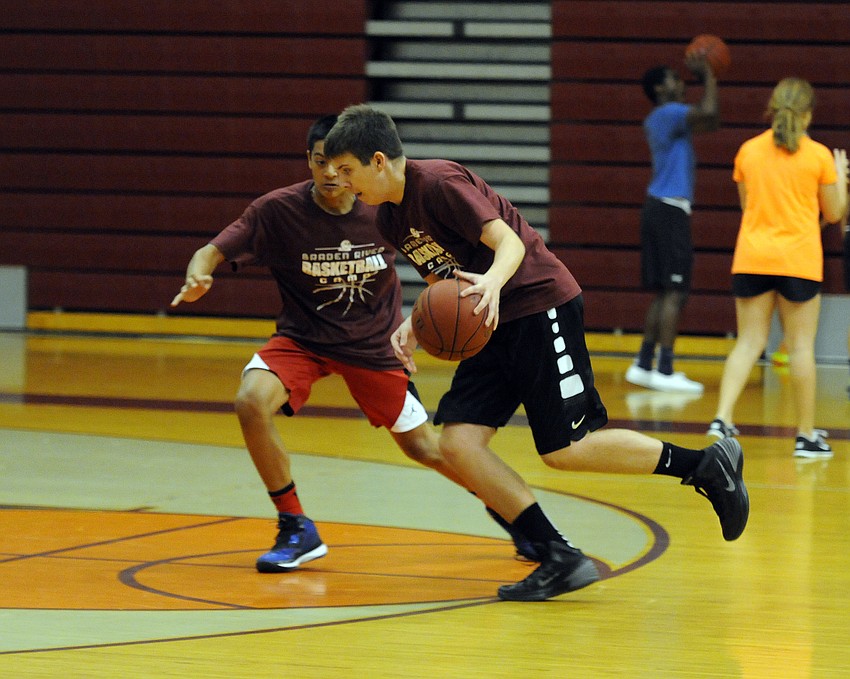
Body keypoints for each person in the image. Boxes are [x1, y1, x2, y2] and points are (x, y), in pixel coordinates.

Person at [324, 104, 749, 602]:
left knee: (566, 449)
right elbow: (446, 278)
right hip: (491, 321)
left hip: (537, 303)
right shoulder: (390, 219)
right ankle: (559, 554)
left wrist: (490, 286)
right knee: (459, 445)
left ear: (378, 160)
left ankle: (704, 465)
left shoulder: (437, 183)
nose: (343, 183)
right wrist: (416, 325)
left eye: (348, 171)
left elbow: (509, 245)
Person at [170, 115, 541, 573]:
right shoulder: (277, 210)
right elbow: (213, 249)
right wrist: (198, 272)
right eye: (321, 162)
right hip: (302, 339)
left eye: (341, 166)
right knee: (250, 401)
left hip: (372, 345)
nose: (332, 175)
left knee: (425, 447)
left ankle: (514, 513)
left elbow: (439, 266)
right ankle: (295, 526)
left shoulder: (383, 208)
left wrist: (426, 319)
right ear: (308, 160)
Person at [706, 78, 848, 458]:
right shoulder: (818, 156)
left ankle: (721, 418)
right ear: (808, 113)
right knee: (800, 348)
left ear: (772, 108)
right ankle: (805, 437)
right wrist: (842, 177)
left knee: (749, 342)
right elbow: (834, 214)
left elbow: (747, 207)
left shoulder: (748, 151)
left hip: (753, 256)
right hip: (799, 260)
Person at [625, 53, 720, 394]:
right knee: (675, 293)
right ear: (660, 88)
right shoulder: (669, 113)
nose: (682, 83)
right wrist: (709, 75)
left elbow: (710, 121)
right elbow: (709, 113)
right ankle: (664, 369)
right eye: (675, 78)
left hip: (658, 208)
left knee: (665, 291)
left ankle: (643, 363)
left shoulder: (663, 117)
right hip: (669, 210)